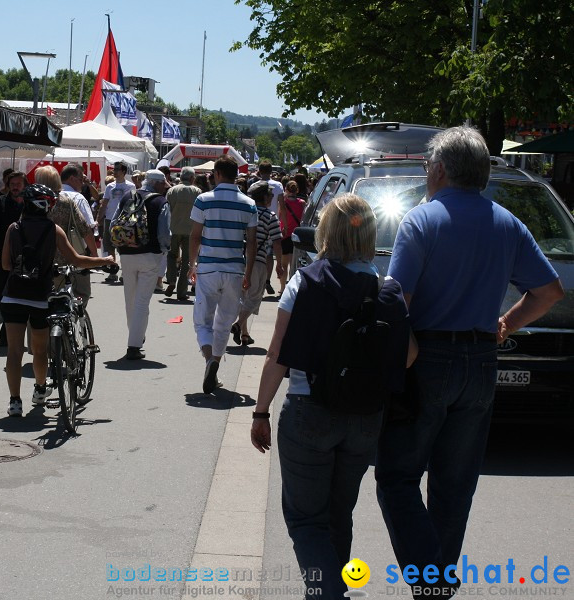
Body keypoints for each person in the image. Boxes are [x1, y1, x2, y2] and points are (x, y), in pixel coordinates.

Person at [376, 126, 563, 598]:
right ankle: (436, 581)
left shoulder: (421, 220)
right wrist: (506, 324)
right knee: (455, 485)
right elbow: (548, 292)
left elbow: (397, 304)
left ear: (439, 169)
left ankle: (431, 577)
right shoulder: (507, 222)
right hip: (482, 359)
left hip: (427, 357)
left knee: (397, 476)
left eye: (425, 166)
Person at [249, 194, 416, 600]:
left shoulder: (305, 282)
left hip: (309, 409)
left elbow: (276, 353)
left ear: (325, 231)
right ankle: (329, 588)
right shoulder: (387, 288)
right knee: (339, 514)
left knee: (306, 521)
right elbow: (410, 355)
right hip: (363, 418)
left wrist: (261, 411)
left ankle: (326, 594)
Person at [0, 184, 115, 417]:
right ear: (46, 206)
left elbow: (5, 265)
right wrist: (105, 261)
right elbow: (76, 259)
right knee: (40, 349)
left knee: (14, 351)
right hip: (40, 297)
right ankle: (41, 389)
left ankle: (14, 401)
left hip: (13, 295)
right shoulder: (53, 230)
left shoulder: (14, 228)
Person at [188, 156, 257, 393]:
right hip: (235, 269)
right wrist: (247, 272)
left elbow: (195, 236)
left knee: (202, 321)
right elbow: (251, 243)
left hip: (208, 267)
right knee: (224, 322)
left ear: (216, 174)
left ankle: (209, 361)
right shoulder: (248, 203)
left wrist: (191, 263)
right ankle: (215, 363)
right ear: (235, 174)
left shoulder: (203, 200)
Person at [114, 169, 172, 360]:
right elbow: (164, 232)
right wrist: (165, 250)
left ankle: (136, 336)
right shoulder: (160, 201)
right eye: (164, 183)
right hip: (150, 254)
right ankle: (134, 345)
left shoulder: (126, 197)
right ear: (156, 183)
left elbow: (113, 223)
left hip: (126, 253)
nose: (165, 187)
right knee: (141, 302)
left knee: (129, 299)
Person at [232, 180, 283, 346]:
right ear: (265, 197)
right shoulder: (270, 216)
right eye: (270, 194)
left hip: (239, 260)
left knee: (243, 297)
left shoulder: (245, 213)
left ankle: (244, 334)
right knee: (254, 297)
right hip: (258, 261)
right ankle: (238, 325)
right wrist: (279, 264)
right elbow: (276, 242)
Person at [38, 165, 98, 306]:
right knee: (81, 294)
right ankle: (74, 320)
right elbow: (86, 229)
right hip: (70, 257)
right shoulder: (68, 201)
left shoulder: (31, 202)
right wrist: (95, 255)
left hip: (41, 259)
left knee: (43, 300)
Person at [0, 170, 27, 347]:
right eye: (12, 184)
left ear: (24, 185)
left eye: (18, 184)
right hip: (2, 255)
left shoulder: (30, 203)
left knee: (20, 294)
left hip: (24, 257)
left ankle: (7, 332)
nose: (15, 187)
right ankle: (8, 325)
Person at [164, 166, 201, 301]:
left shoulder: (172, 191)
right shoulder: (197, 192)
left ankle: (171, 280)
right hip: (190, 231)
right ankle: (182, 291)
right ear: (192, 178)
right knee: (187, 261)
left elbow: (166, 211)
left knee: (171, 256)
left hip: (173, 229)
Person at [98, 161, 136, 281]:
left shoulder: (131, 186)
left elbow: (134, 203)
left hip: (123, 220)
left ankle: (125, 273)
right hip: (109, 219)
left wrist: (132, 219)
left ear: (123, 172)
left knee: (123, 247)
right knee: (109, 246)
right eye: (114, 169)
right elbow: (104, 204)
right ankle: (113, 271)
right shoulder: (110, 186)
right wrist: (99, 218)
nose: (114, 172)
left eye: (117, 170)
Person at [254, 161, 285, 295]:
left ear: (259, 171)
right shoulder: (278, 185)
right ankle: (267, 279)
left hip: (257, 220)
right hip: (273, 221)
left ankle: (257, 278)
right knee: (269, 253)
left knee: (257, 250)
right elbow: (282, 207)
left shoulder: (255, 185)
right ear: (271, 171)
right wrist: (284, 224)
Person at [278, 180, 305, 293]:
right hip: (297, 235)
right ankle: (292, 288)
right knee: (294, 264)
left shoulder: (283, 203)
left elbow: (279, 217)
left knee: (284, 264)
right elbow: (303, 219)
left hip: (285, 235)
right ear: (297, 190)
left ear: (286, 190)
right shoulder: (302, 203)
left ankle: (283, 288)